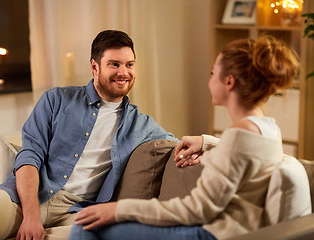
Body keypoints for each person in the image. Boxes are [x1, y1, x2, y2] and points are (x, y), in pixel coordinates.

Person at [69, 35, 302, 240]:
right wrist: (207, 142)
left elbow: (196, 210)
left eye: (213, 73)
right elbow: (243, 153)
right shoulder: (266, 127)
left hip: (211, 234)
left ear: (229, 82)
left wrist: (118, 210)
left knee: (86, 225)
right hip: (225, 229)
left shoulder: (239, 135)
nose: (210, 81)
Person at [0, 30, 177, 240]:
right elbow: (30, 156)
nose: (123, 72)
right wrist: (31, 217)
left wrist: (202, 141)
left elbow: (177, 144)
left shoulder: (141, 124)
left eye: (129, 65)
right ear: (95, 66)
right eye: (114, 64)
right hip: (23, 199)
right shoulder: (56, 100)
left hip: (78, 212)